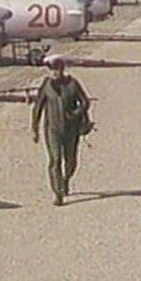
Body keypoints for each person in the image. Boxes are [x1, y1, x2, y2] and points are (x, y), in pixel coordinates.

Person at [31, 56, 91, 206]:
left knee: (71, 160)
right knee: (55, 160)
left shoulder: (72, 84)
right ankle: (58, 193)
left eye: (57, 70)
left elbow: (85, 102)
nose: (54, 73)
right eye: (52, 70)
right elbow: (38, 107)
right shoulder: (46, 85)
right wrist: (34, 128)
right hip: (52, 129)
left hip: (71, 129)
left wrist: (75, 114)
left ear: (62, 69)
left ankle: (65, 179)